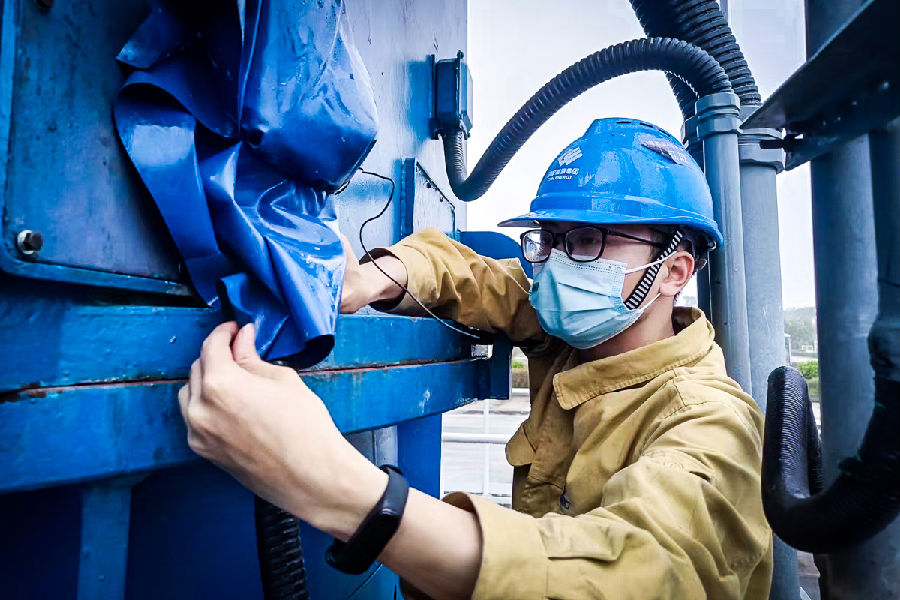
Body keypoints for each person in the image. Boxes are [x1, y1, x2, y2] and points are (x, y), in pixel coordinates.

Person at [178, 118, 773, 599]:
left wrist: (344, 492)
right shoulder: (578, 328)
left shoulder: (706, 423)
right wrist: (375, 278)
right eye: (550, 238)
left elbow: (641, 577)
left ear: (674, 271)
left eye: (589, 240)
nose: (560, 263)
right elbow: (479, 275)